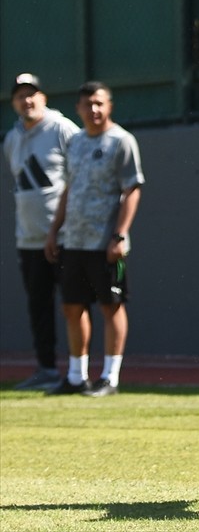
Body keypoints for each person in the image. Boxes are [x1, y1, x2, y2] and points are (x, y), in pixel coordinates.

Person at [43, 81, 145, 398]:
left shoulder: (122, 141)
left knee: (110, 305)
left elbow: (132, 189)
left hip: (105, 243)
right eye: (87, 104)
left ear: (109, 106)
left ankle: (110, 378)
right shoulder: (74, 143)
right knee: (73, 306)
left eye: (99, 103)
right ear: (78, 109)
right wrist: (54, 230)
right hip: (74, 240)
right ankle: (77, 377)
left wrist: (119, 234)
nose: (94, 110)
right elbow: (68, 190)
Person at [4, 73, 80, 391]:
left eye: (32, 94)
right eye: (21, 95)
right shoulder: (12, 138)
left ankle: (80, 371)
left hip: (65, 236)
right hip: (29, 239)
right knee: (39, 305)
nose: (28, 100)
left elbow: (79, 173)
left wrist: (61, 225)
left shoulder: (62, 128)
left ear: (44, 97)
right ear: (13, 103)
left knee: (75, 305)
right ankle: (46, 368)